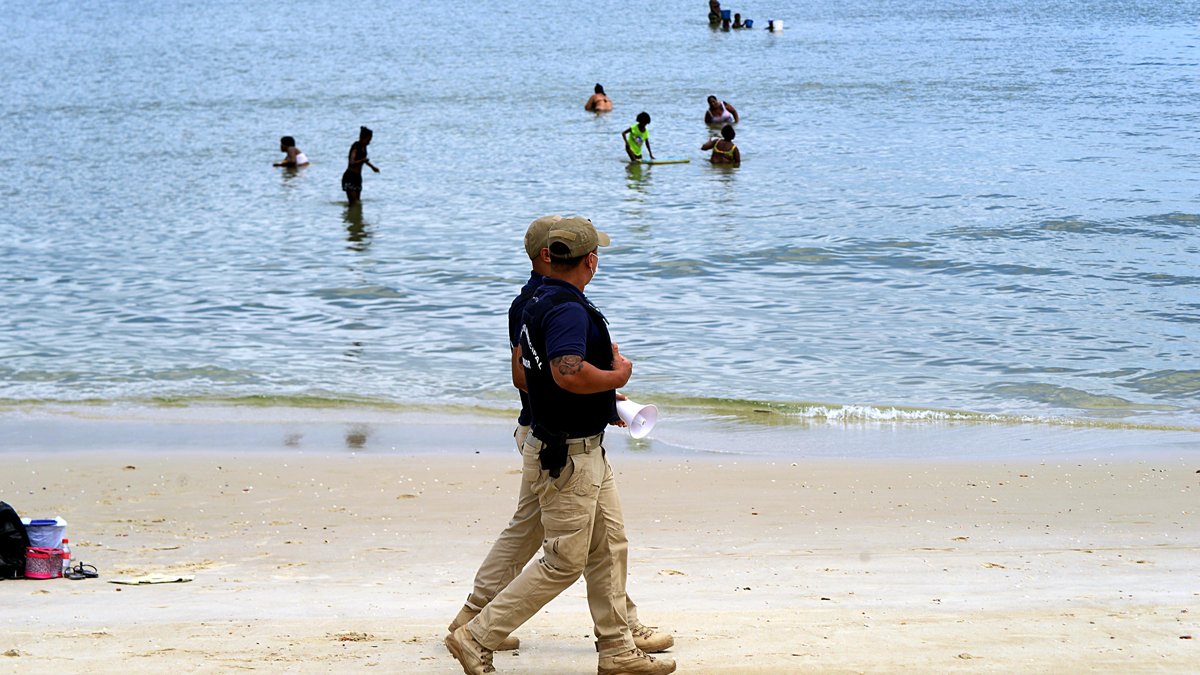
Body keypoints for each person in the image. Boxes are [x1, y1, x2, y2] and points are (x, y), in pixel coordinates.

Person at [445, 217, 676, 675]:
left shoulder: (532, 302)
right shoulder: (565, 308)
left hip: (564, 437)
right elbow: (566, 373)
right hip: (564, 448)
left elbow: (531, 376)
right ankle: (476, 633)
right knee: (564, 559)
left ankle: (617, 647)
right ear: (589, 260)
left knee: (606, 543)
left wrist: (603, 400)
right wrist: (616, 378)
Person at [341, 126, 379, 205]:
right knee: (353, 203)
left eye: (370, 140)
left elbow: (364, 159)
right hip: (350, 177)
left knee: (358, 203)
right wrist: (362, 160)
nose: (369, 142)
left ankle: (354, 216)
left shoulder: (364, 147)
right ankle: (348, 216)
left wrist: (372, 167)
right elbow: (352, 162)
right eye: (368, 140)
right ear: (362, 138)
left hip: (357, 177)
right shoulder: (356, 146)